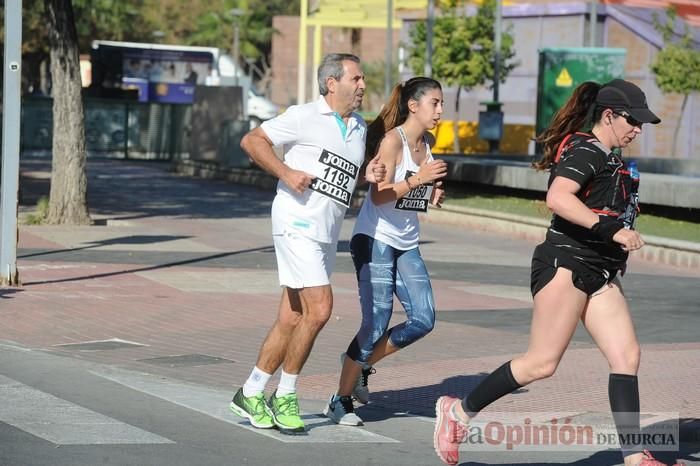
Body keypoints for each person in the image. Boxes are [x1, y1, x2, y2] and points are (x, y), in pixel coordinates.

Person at [433, 79, 683, 466]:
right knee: (542, 363)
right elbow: (558, 197)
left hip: (598, 272)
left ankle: (635, 456)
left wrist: (617, 224)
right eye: (633, 121)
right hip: (565, 265)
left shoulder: (610, 156)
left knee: (626, 356)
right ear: (609, 115)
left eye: (642, 124)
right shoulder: (587, 150)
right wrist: (610, 229)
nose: (638, 129)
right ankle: (458, 413)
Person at [229, 53, 386, 434]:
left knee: (292, 316)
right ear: (332, 83)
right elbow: (252, 141)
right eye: (356, 78)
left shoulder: (359, 128)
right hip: (295, 223)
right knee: (320, 308)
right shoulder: (303, 116)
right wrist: (286, 171)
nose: (363, 85)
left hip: (325, 233)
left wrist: (367, 175)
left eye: (362, 79)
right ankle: (285, 394)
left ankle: (250, 391)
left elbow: (342, 176)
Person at [323, 77, 447, 426]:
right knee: (376, 322)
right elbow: (378, 195)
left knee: (423, 319)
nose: (439, 110)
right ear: (413, 105)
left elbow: (411, 193)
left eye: (441, 104)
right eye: (434, 103)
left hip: (406, 241)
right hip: (375, 238)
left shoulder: (428, 141)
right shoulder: (393, 141)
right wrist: (420, 180)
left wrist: (432, 194)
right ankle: (340, 399)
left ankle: (361, 364)